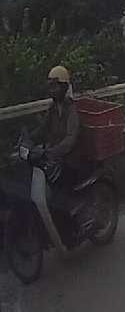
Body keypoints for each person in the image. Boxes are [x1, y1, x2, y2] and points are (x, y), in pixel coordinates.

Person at [31, 66, 83, 230]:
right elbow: (42, 129)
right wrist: (27, 139)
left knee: (60, 190)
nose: (52, 90)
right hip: (55, 158)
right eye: (51, 87)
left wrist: (53, 151)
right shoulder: (53, 108)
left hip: (70, 159)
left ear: (64, 87)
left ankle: (71, 225)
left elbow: (71, 138)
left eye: (56, 87)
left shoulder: (71, 109)